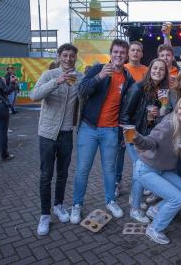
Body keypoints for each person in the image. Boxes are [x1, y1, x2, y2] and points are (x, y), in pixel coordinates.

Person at [70, 39, 135, 224]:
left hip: (111, 130)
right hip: (89, 128)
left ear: (126, 55)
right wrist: (99, 77)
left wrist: (123, 130)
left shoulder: (128, 77)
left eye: (122, 53)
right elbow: (82, 91)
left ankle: (110, 201)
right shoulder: (98, 69)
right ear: (111, 53)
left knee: (109, 169)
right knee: (83, 169)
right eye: (116, 52)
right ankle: (77, 204)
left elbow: (127, 106)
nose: (118, 55)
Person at [30, 43, 84, 235]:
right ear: (59, 57)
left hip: (66, 133)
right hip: (47, 134)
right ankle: (45, 215)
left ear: (75, 59)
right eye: (65, 55)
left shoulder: (79, 78)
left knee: (62, 173)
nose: (68, 59)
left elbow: (90, 88)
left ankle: (59, 205)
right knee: (46, 175)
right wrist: (57, 81)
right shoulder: (49, 75)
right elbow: (34, 95)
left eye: (72, 56)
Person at [131, 96, 181, 244]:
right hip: (146, 169)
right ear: (177, 109)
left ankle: (155, 210)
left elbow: (171, 149)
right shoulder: (168, 125)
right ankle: (154, 229)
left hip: (162, 169)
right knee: (176, 199)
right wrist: (137, 138)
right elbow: (151, 141)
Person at [120, 58, 169, 223]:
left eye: (162, 69)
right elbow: (125, 115)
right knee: (140, 170)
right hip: (134, 136)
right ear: (150, 70)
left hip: (146, 137)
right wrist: (131, 138)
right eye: (155, 68)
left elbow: (154, 121)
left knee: (139, 170)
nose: (158, 71)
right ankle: (134, 208)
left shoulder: (161, 91)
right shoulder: (137, 88)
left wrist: (154, 115)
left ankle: (135, 199)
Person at [115, 40, 148, 197]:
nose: (135, 53)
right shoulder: (123, 69)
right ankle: (117, 183)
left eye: (138, 50)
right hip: (124, 118)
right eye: (132, 50)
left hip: (140, 120)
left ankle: (143, 184)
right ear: (129, 53)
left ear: (142, 54)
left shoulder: (147, 70)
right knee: (119, 154)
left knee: (140, 156)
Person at [0, 64, 13, 161]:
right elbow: (7, 91)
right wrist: (13, 83)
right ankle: (4, 155)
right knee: (2, 132)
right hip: (0, 107)